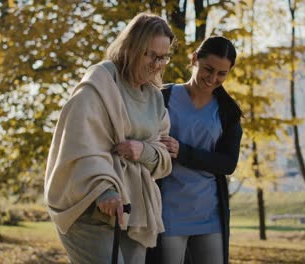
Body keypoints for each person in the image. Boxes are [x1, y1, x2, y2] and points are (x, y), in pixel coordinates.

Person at [44, 13, 175, 264]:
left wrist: (143, 151)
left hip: (135, 211)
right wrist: (104, 191)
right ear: (130, 48)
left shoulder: (155, 97)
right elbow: (79, 143)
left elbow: (163, 152)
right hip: (91, 207)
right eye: (150, 55)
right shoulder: (101, 81)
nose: (157, 64)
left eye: (163, 57)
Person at [153, 36, 243, 264]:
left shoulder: (228, 112)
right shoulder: (163, 97)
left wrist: (183, 152)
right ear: (194, 59)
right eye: (208, 69)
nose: (213, 78)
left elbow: (227, 164)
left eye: (222, 74)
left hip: (209, 213)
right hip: (167, 210)